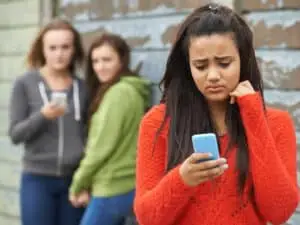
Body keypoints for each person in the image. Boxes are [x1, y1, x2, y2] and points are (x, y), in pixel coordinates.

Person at [134, 3, 299, 225]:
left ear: (243, 59)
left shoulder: (276, 123)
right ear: (187, 67)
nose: (213, 75)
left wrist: (253, 115)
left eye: (224, 63)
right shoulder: (158, 122)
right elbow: (147, 218)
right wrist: (182, 179)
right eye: (201, 66)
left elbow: (279, 212)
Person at [8, 18, 89, 225]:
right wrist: (42, 116)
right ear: (42, 50)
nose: (59, 53)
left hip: (74, 180)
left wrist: (87, 180)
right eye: (52, 48)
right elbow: (16, 134)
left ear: (74, 49)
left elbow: (89, 134)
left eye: (65, 47)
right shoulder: (25, 84)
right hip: (38, 179)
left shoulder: (83, 87)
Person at [69, 33, 151, 225]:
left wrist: (77, 184)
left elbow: (100, 148)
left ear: (122, 60)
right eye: (95, 61)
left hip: (113, 187)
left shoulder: (119, 93)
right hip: (126, 185)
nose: (100, 67)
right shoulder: (130, 90)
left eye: (107, 59)